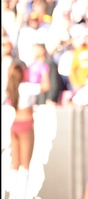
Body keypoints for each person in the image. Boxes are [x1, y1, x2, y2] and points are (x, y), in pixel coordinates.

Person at [5, 59, 41, 199]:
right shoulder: (26, 87)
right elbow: (45, 86)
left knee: (16, 164)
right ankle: (22, 196)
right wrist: (43, 69)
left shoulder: (11, 88)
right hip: (26, 124)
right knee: (25, 165)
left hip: (15, 125)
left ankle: (11, 194)